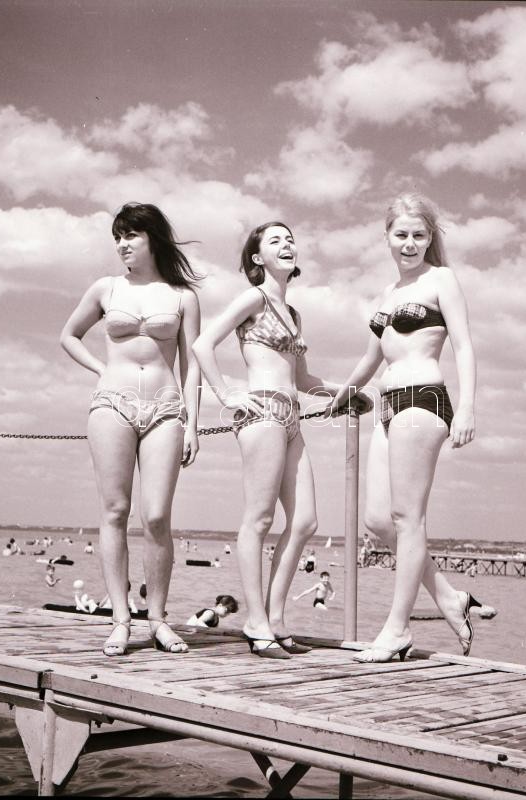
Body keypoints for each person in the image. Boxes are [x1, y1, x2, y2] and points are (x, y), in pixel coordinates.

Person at [330, 190, 488, 663]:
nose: (409, 243)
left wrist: (468, 408)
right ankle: (449, 597)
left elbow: (463, 345)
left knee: (407, 519)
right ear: (387, 237)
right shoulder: (387, 294)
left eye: (419, 235)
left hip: (423, 400)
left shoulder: (441, 279)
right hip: (386, 405)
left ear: (430, 237)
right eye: (401, 235)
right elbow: (372, 357)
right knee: (379, 521)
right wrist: (343, 391)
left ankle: (397, 629)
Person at [193, 221, 352, 659]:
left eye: (290, 240)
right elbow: (203, 344)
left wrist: (350, 392)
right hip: (260, 412)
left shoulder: (295, 315)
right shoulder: (254, 298)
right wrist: (227, 394)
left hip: (292, 416)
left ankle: (276, 619)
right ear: (257, 257)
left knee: (304, 522)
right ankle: (255, 621)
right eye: (275, 241)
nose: (287, 245)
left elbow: (303, 379)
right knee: (259, 519)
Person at [60, 202, 201, 657]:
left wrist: (192, 422)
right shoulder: (106, 288)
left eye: (131, 235)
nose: (122, 244)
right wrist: (101, 369)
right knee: (115, 511)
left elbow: (192, 365)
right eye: (117, 236)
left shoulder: (182, 296)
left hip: (165, 407)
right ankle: (121, 619)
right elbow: (68, 335)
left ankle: (157, 619)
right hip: (112, 404)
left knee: (156, 515)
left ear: (152, 238)